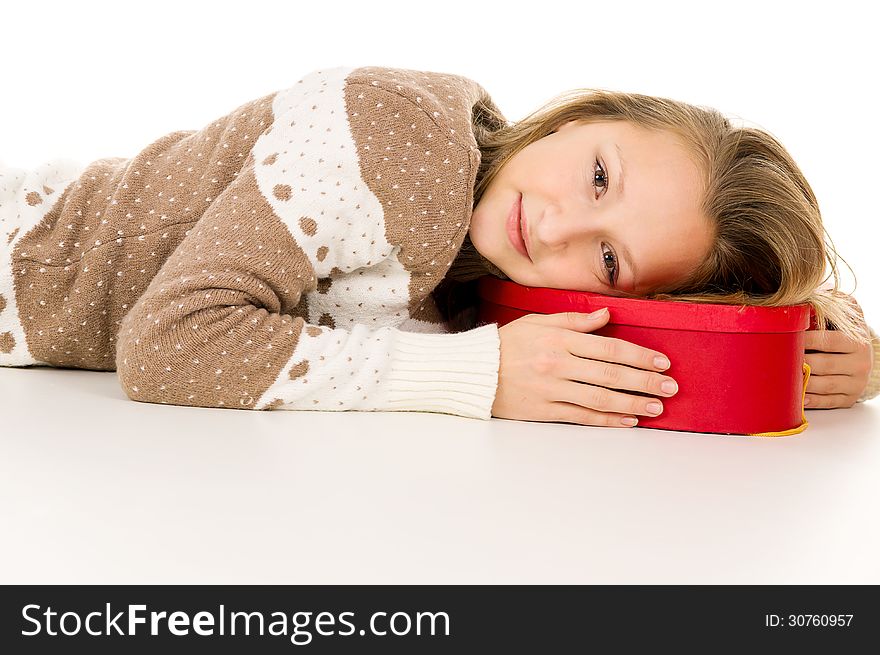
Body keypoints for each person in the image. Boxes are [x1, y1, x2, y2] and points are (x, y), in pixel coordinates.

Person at [1, 65, 877, 429]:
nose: (560, 224)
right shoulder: (390, 135)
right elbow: (162, 348)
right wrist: (478, 378)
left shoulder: (494, 277)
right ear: (580, 117)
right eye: (598, 176)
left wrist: (836, 350)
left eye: (609, 260)